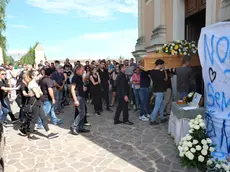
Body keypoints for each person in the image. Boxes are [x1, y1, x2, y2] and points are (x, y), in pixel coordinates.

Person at [19, 70, 58, 139]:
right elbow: (38, 95)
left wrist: (39, 92)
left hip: (38, 102)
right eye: (37, 75)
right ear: (33, 76)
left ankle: (49, 133)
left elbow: (40, 93)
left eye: (38, 74)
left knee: (43, 118)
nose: (38, 76)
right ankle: (30, 135)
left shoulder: (35, 83)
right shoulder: (32, 84)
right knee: (34, 120)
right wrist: (38, 92)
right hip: (34, 103)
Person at [70, 65, 90, 135]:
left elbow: (79, 86)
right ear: (77, 70)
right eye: (82, 70)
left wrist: (83, 88)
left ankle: (80, 127)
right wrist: (75, 100)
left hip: (82, 96)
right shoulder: (75, 77)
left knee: (83, 113)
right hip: (78, 97)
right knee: (81, 113)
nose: (83, 71)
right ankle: (74, 126)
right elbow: (72, 89)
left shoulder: (80, 77)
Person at [149, 59, 168, 125]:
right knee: (157, 106)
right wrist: (165, 70)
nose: (163, 66)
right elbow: (166, 79)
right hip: (160, 91)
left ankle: (162, 117)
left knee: (161, 105)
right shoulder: (161, 72)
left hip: (155, 90)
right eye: (163, 64)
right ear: (160, 65)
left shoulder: (152, 71)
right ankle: (152, 119)